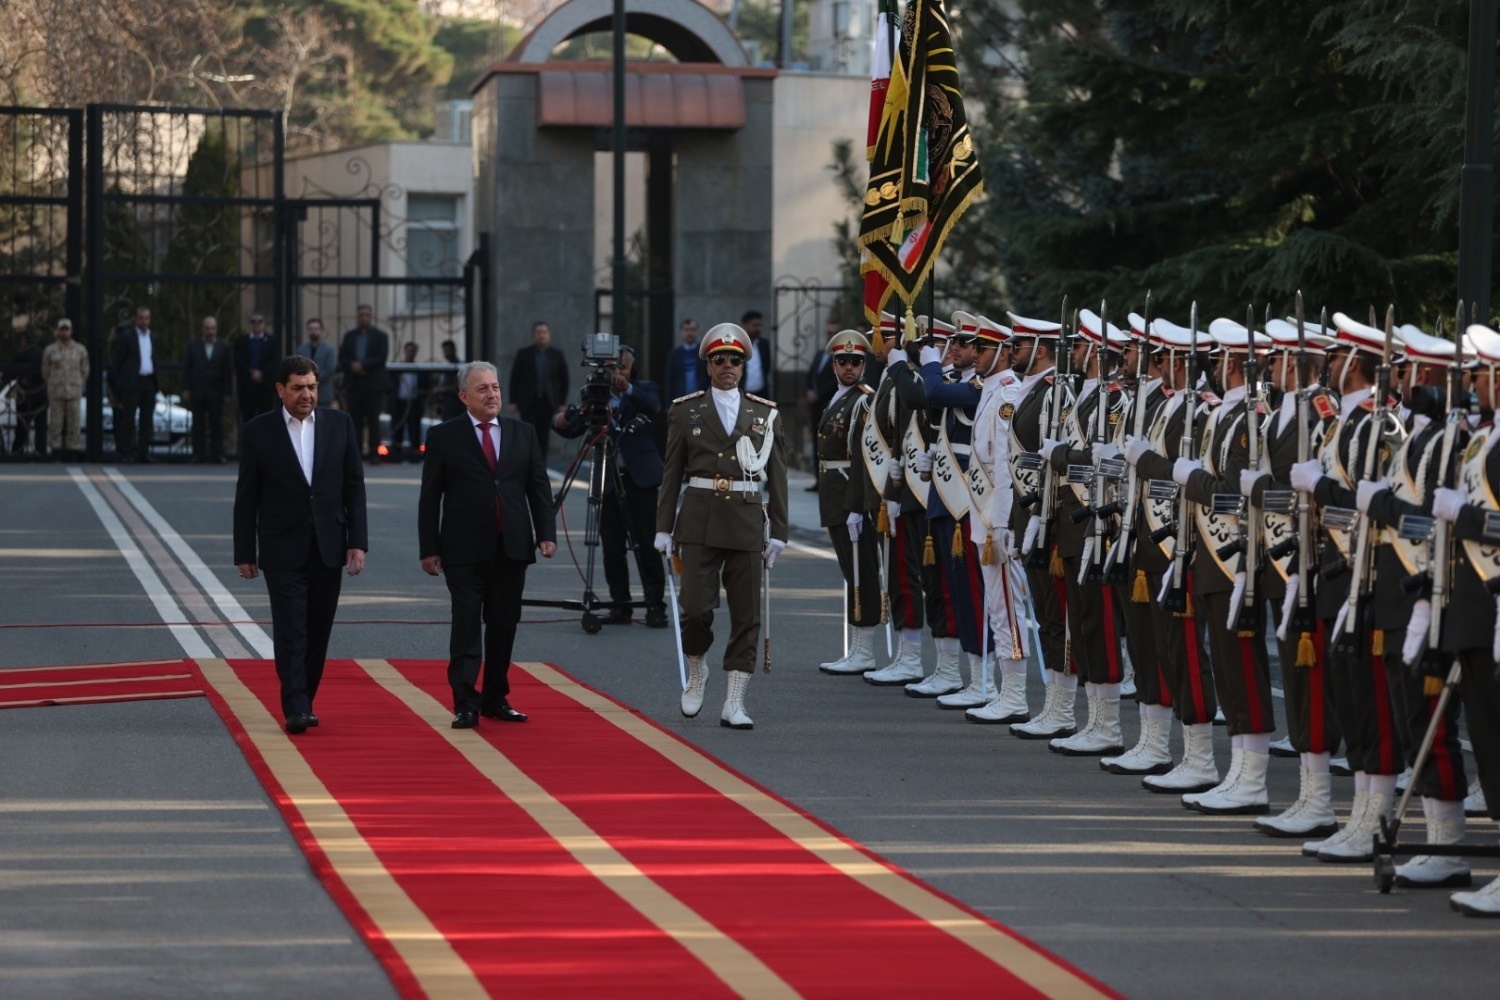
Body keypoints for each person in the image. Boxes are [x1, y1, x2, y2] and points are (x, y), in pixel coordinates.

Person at [655, 322, 789, 730]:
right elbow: (671, 472)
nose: (728, 365)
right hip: (698, 519)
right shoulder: (685, 410)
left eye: (734, 359)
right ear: (709, 365)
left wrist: (779, 532)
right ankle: (697, 673)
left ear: (744, 364)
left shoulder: (765, 414)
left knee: (747, 615)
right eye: (719, 360)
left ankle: (735, 701)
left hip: (747, 518)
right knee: (695, 609)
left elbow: (778, 475)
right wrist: (663, 527)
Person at [233, 355, 367, 735]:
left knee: (318, 627)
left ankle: (304, 696)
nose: (306, 394)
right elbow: (247, 496)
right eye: (297, 388)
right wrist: (245, 552)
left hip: (329, 545)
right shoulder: (259, 432)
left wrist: (357, 543)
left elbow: (354, 488)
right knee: (292, 628)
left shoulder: (339, 425)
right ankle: (296, 705)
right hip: (281, 547)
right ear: (280, 390)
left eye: (311, 387)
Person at [420, 361, 557, 729]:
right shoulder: (444, 437)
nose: (492, 394)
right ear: (464, 396)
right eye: (482, 389)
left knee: (503, 625)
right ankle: (465, 702)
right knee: (466, 624)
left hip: (511, 547)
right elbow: (430, 497)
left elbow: (538, 487)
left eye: (495, 387)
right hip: (463, 549)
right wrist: (428, 548)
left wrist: (546, 533)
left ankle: (496, 698)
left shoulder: (523, 433)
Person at [554, 345, 668, 627]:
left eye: (623, 367)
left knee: (647, 544)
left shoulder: (643, 389)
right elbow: (570, 428)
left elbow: (654, 405)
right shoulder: (596, 395)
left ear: (632, 370)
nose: (617, 373)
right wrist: (562, 419)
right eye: (612, 368)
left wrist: (627, 388)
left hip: (639, 479)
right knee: (612, 547)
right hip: (606, 481)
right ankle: (620, 606)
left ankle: (655, 605)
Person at [811, 329, 883, 675]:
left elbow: (866, 458)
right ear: (834, 366)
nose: (849, 367)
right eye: (843, 361)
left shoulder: (864, 400)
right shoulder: (838, 398)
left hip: (851, 494)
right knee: (849, 569)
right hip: (835, 494)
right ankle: (856, 646)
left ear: (864, 364)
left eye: (855, 362)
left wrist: (859, 504)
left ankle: (865, 649)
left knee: (862, 571)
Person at [508, 320, 569, 457]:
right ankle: (527, 466)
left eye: (544, 332)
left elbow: (564, 381)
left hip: (548, 403)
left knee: (544, 437)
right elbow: (514, 378)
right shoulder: (524, 354)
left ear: (549, 335)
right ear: (533, 335)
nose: (541, 335)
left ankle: (541, 468)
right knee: (527, 436)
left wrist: (562, 402)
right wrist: (513, 401)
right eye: (538, 332)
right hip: (528, 402)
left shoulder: (556, 355)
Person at [339, 304, 390, 463]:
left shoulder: (380, 336)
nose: (364, 318)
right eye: (361, 315)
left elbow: (381, 356)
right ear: (357, 316)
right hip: (354, 384)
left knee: (373, 420)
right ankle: (358, 453)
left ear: (371, 317)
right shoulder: (349, 336)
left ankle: (375, 453)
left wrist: (364, 365)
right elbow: (343, 357)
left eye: (367, 315)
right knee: (355, 420)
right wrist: (353, 365)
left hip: (373, 384)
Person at [108, 305, 158, 462]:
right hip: (131, 383)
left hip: (148, 381)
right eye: (141, 318)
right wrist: (119, 385)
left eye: (147, 318)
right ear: (136, 319)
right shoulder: (127, 337)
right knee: (128, 418)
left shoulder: (153, 337)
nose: (144, 321)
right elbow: (118, 361)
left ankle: (144, 451)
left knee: (146, 419)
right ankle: (127, 452)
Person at [181, 315, 234, 463]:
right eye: (207, 328)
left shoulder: (224, 347)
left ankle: (216, 454)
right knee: (198, 424)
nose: (210, 331)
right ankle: (199, 454)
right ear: (202, 329)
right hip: (197, 390)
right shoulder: (193, 345)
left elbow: (227, 371)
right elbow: (187, 368)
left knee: (216, 424)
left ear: (216, 329)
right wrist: (186, 388)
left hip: (216, 392)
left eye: (212, 328)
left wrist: (227, 392)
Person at [803, 319, 841, 491]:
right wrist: (809, 390)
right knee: (816, 443)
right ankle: (818, 479)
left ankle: (827, 480)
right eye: (828, 333)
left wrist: (819, 394)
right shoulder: (820, 354)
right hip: (815, 407)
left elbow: (835, 381)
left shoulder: (840, 357)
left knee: (829, 444)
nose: (830, 336)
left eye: (834, 333)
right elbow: (811, 375)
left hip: (829, 405)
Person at [42, 318, 88, 460]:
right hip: (56, 391)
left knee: (74, 423)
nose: (64, 332)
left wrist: (79, 382)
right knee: (56, 423)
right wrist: (51, 383)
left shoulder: (80, 349)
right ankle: (56, 450)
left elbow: (85, 370)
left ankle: (72, 450)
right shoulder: (50, 350)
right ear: (58, 331)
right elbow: (45, 370)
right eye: (62, 329)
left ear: (71, 331)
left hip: (73, 391)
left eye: (66, 329)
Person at [233, 312, 281, 427]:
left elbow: (275, 361)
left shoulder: (272, 341)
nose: (256, 324)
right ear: (250, 324)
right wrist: (251, 373)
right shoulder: (241, 341)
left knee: (266, 418)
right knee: (247, 419)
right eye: (253, 321)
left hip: (265, 386)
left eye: (259, 321)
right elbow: (238, 361)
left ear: (264, 323)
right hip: (247, 386)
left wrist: (262, 373)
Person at [10, 331, 46, 456]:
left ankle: (17, 452)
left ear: (25, 340)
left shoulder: (21, 354)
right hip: (40, 396)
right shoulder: (43, 355)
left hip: (24, 396)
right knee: (40, 427)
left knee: (21, 427)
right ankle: (40, 453)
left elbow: (12, 373)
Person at [388, 341, 425, 462]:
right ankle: (396, 453)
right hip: (400, 402)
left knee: (414, 428)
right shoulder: (398, 368)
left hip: (414, 402)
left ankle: (415, 453)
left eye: (413, 351)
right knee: (398, 428)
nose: (410, 353)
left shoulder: (418, 368)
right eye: (409, 351)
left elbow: (425, 385)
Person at [296, 318, 338, 408]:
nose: (313, 332)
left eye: (316, 329)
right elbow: (298, 368)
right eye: (311, 329)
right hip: (305, 394)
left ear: (322, 331)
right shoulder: (301, 349)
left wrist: (312, 379)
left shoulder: (330, 349)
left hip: (324, 392)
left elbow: (330, 369)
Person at [664, 318, 705, 400]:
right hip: (681, 400)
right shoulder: (674, 354)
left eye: (692, 330)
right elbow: (669, 380)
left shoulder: (704, 352)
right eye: (686, 330)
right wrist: (669, 404)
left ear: (697, 332)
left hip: (702, 398)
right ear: (681, 332)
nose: (689, 333)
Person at [740, 310, 774, 398]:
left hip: (761, 393)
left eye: (760, 326)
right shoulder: (737, 345)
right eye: (755, 326)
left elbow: (767, 367)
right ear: (745, 326)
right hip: (742, 393)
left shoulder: (764, 344)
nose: (758, 329)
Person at [430, 339, 465, 420]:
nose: (445, 353)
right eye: (444, 351)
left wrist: (441, 389)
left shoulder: (457, 365)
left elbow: (458, 385)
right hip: (446, 403)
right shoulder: (448, 365)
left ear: (453, 350)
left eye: (447, 350)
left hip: (454, 404)